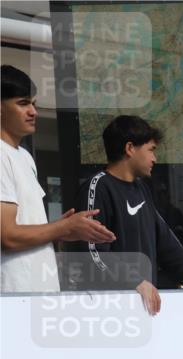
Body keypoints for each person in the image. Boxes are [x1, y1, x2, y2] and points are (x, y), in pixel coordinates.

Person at [74, 115, 183, 315]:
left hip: (142, 308)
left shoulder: (141, 189)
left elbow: (166, 243)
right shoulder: (97, 188)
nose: (155, 158)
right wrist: (134, 281)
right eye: (151, 150)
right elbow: (93, 252)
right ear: (129, 148)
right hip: (107, 311)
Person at [1, 65, 115, 293]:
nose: (34, 112)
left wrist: (64, 230)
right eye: (23, 103)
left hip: (36, 293)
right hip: (13, 297)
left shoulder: (24, 156)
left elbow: (25, 229)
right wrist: (62, 226)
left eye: (34, 104)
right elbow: (7, 236)